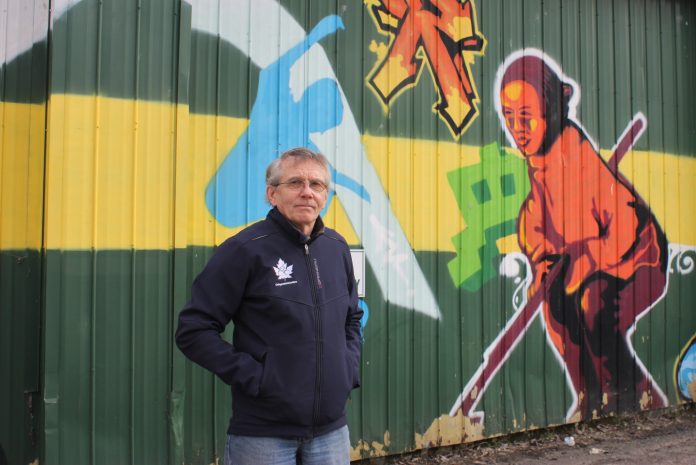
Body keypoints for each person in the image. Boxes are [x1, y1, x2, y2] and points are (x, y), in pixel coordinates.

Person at [497, 53, 668, 419]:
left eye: (526, 116)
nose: (517, 127)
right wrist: (543, 265)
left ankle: (630, 396)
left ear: (553, 108)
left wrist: (587, 258)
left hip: (639, 260)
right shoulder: (541, 169)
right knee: (557, 306)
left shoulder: (579, 159)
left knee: (593, 304)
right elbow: (539, 225)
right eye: (509, 117)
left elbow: (624, 228)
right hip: (588, 264)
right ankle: (592, 396)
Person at [176, 147, 363, 465]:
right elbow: (193, 331)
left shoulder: (337, 248)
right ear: (272, 194)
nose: (307, 192)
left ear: (326, 195)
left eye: (316, 185)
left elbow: (352, 317)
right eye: (295, 183)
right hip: (263, 434)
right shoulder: (244, 251)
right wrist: (257, 378)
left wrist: (347, 369)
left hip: (331, 432)